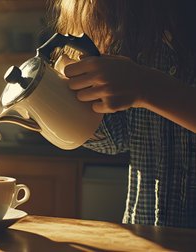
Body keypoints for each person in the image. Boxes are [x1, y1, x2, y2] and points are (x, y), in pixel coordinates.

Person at [47, 0, 196, 228]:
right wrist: (66, 103)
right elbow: (116, 138)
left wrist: (146, 87)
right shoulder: (141, 34)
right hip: (146, 231)